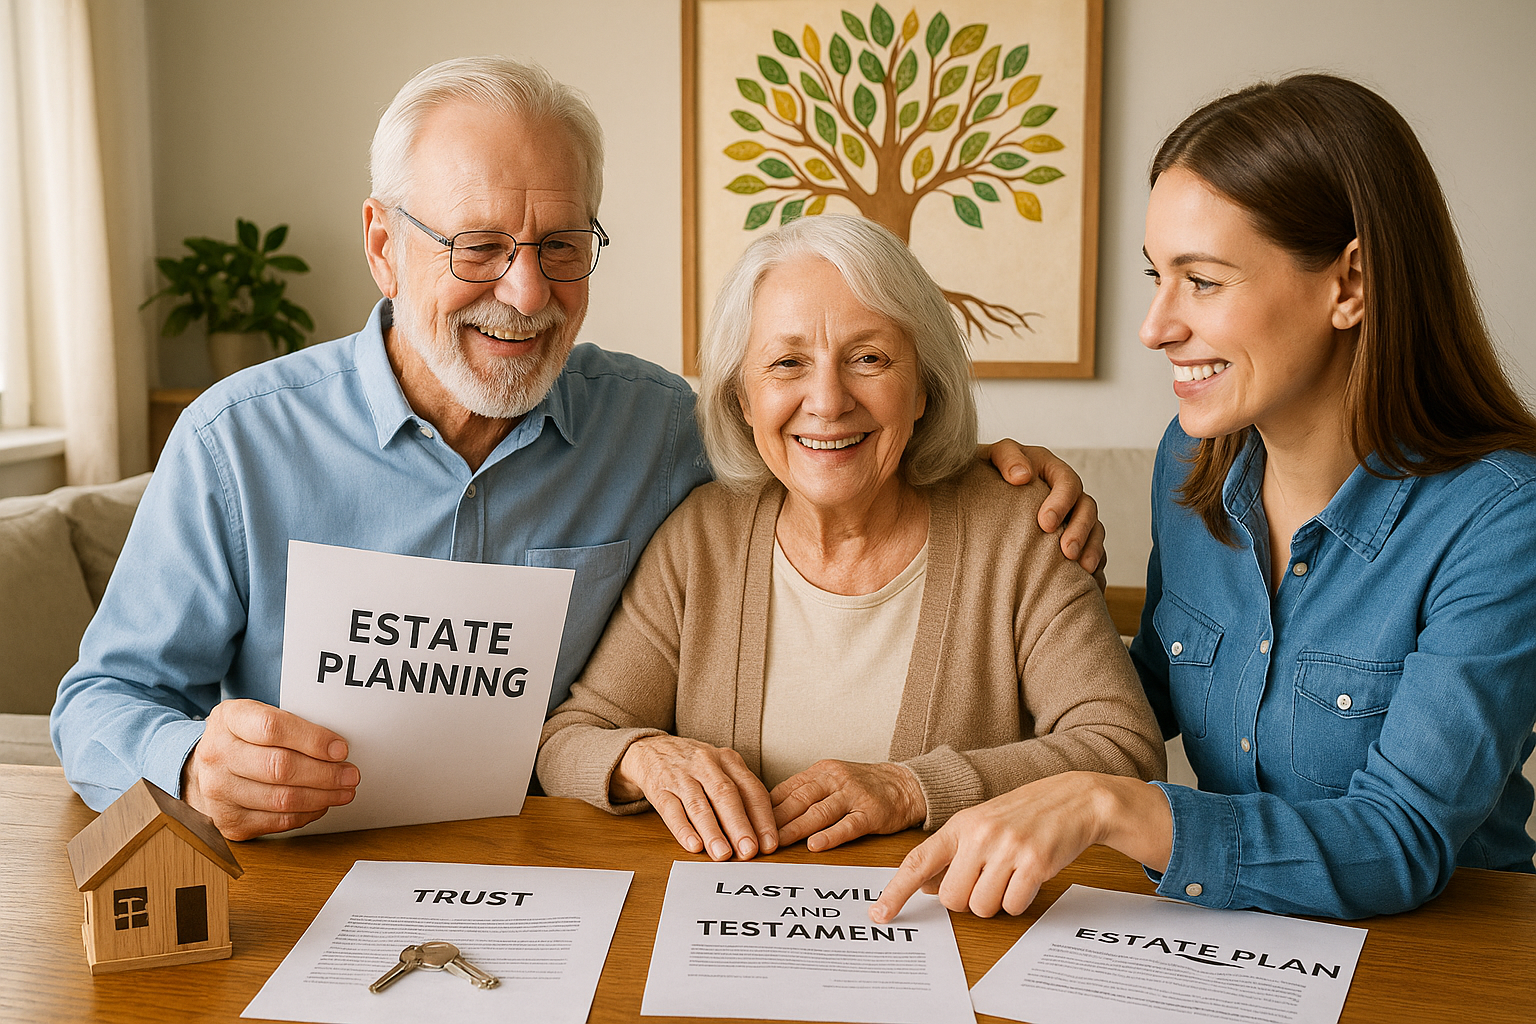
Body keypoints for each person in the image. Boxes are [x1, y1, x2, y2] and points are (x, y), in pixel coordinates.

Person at [50, 57, 1101, 841]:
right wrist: (188, 759)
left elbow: (818, 440)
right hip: (298, 877)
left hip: (564, 873)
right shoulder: (238, 443)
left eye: (561, 246)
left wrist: (978, 462)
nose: (526, 291)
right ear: (383, 244)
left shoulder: (662, 431)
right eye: (478, 247)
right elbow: (97, 704)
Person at [871, 73, 1536, 924]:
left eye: (1204, 280)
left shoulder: (1500, 520)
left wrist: (1110, 806)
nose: (1155, 327)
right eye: (1158, 276)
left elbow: (1400, 840)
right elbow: (1148, 693)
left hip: (1441, 965)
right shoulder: (1194, 460)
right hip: (1228, 945)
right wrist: (1000, 530)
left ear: (1351, 283)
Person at [537, 215, 1165, 863]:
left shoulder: (1017, 528)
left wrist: (912, 788)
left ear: (922, 385)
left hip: (956, 922)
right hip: (728, 925)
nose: (828, 400)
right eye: (787, 363)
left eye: (868, 358)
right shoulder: (703, 536)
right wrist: (644, 756)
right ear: (744, 400)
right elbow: (570, 738)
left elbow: (1123, 748)